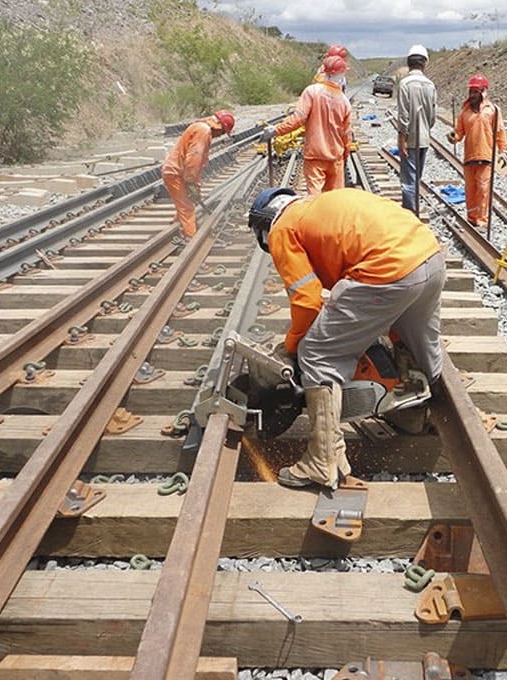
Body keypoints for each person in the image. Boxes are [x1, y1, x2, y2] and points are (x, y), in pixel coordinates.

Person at [247, 187, 446, 489]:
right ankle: (417, 416)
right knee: (418, 342)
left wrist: (294, 348)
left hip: (388, 270)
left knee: (317, 353)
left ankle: (322, 460)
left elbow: (307, 300)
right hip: (428, 257)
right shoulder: (316, 207)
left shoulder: (281, 228)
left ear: (264, 225)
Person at [262, 57, 352, 195]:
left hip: (315, 155)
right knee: (334, 200)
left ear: (324, 72)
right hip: (335, 158)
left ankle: (314, 216)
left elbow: (298, 118)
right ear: (342, 75)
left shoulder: (312, 91)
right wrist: (345, 153)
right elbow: (346, 134)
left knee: (314, 198)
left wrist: (276, 130)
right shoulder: (344, 101)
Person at [446, 74, 507, 229]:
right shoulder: (464, 113)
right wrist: (453, 137)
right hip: (469, 157)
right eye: (471, 91)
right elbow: (459, 134)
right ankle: (472, 217)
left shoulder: (492, 111)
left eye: (476, 91)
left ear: (483, 92)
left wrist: (503, 151)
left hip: (486, 156)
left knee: (483, 189)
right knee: (470, 189)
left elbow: (500, 132)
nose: (472, 95)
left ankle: (482, 219)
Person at [160, 110, 235, 238]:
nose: (219, 135)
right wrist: (191, 182)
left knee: (185, 202)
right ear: (219, 127)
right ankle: (190, 237)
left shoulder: (200, 128)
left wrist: (195, 185)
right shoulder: (203, 131)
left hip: (179, 172)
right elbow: (194, 158)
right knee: (187, 207)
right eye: (222, 132)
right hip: (176, 173)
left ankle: (176, 228)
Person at [396, 44, 437, 214]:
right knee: (416, 177)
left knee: (408, 179)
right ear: (424, 63)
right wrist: (425, 128)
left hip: (410, 139)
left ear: (409, 62)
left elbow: (404, 115)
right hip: (424, 138)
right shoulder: (430, 85)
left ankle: (410, 212)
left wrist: (402, 139)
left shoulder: (405, 84)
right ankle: (414, 208)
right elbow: (432, 116)